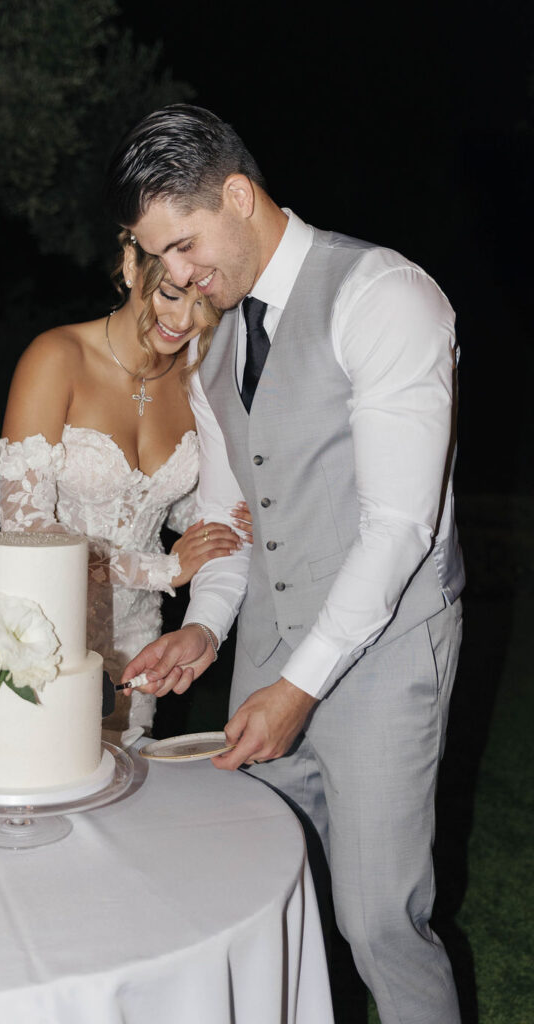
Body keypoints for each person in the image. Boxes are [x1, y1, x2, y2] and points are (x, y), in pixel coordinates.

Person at [112, 105, 464, 1024]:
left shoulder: (384, 294)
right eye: (160, 259)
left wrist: (299, 688)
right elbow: (235, 518)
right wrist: (206, 625)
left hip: (386, 651)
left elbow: (399, 530)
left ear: (238, 194)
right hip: (273, 647)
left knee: (380, 918)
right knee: (265, 896)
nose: (177, 278)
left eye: (184, 245)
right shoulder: (214, 341)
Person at [0, 231, 251, 735]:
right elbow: (23, 527)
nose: (182, 322)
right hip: (44, 626)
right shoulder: (57, 357)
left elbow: (162, 503)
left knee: (122, 788)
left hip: (136, 639)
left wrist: (241, 520)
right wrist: (162, 569)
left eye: (203, 305)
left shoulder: (196, 379)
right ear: (131, 265)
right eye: (171, 295)